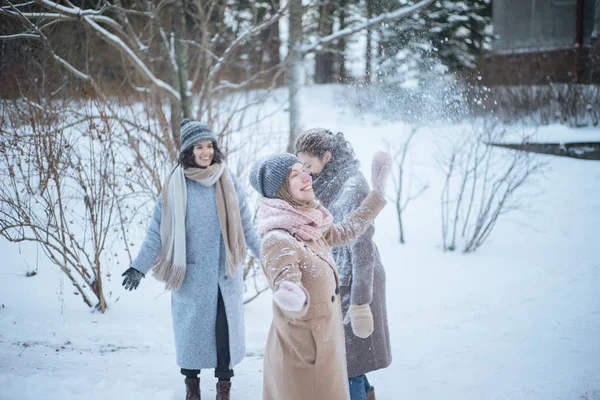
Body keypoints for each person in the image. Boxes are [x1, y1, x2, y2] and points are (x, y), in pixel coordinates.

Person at [121, 119, 261, 400]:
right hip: (191, 277)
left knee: (224, 336)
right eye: (199, 147)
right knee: (192, 338)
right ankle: (192, 388)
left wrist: (267, 259)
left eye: (210, 146)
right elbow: (156, 233)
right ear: (188, 151)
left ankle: (224, 390)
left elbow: (246, 226)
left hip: (224, 275)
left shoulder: (227, 180)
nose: (206, 151)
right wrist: (139, 266)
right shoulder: (175, 185)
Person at [249, 150, 391, 400]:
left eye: (304, 170)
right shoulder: (278, 239)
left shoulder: (309, 227)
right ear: (280, 189)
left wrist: (376, 196)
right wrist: (293, 297)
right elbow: (285, 280)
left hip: (325, 354)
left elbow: (347, 230)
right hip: (304, 362)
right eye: (295, 175)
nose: (306, 177)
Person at [295, 128, 392, 400]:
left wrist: (361, 302)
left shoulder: (352, 185)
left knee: (349, 364)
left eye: (307, 163)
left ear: (326, 156)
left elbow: (362, 246)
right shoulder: (323, 183)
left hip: (359, 279)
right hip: (337, 281)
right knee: (348, 360)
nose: (304, 170)